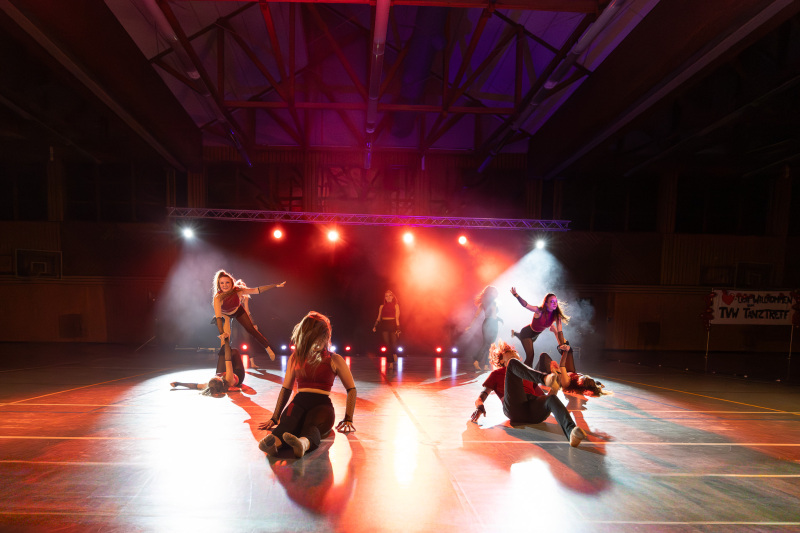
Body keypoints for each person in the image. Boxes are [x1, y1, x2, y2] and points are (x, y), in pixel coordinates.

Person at [258, 311, 357, 458]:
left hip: (322, 406)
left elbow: (351, 389)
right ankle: (274, 443)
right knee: (287, 423)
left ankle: (302, 444)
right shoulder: (296, 357)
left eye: (319, 339)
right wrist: (275, 417)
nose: (316, 344)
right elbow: (286, 389)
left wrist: (348, 418)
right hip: (299, 403)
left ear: (326, 337)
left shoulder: (334, 359)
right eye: (312, 339)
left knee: (312, 426)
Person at [470, 340, 587, 447]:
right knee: (512, 364)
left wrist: (554, 389)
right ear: (501, 361)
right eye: (508, 352)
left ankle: (571, 432)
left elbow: (545, 400)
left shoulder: (528, 375)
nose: (513, 353)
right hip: (514, 407)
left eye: (514, 352)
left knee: (551, 399)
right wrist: (479, 407)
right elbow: (482, 396)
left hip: (532, 411)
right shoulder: (496, 374)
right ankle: (544, 378)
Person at [212, 269, 285, 366]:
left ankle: (268, 348)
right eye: (222, 283)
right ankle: (225, 363)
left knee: (251, 330)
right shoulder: (218, 297)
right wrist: (221, 333)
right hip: (225, 315)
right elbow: (218, 317)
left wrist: (274, 285)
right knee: (225, 337)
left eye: (227, 282)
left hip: (238, 311)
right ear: (219, 284)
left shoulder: (238, 290)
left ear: (232, 283)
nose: (224, 285)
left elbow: (257, 290)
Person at [509, 288, 570, 367]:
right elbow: (526, 305)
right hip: (527, 333)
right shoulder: (539, 311)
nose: (555, 303)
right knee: (530, 356)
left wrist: (562, 345)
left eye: (556, 301)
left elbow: (560, 332)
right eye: (552, 301)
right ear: (546, 303)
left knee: (523, 339)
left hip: (535, 336)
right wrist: (516, 295)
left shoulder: (556, 315)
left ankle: (515, 333)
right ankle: (524, 373)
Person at [170, 348, 245, 395]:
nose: (215, 376)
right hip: (238, 374)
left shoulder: (211, 385)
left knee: (223, 352)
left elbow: (195, 386)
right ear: (220, 380)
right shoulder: (229, 379)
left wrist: (178, 383)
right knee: (234, 351)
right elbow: (228, 359)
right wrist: (226, 339)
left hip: (225, 375)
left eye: (213, 377)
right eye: (216, 377)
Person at [535, 347, 606, 396]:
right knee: (569, 352)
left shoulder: (567, 382)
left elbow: (562, 365)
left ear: (580, 383)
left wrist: (565, 352)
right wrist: (598, 384)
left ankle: (533, 378)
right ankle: (533, 375)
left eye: (581, 378)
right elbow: (592, 384)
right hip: (560, 372)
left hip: (551, 375)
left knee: (543, 356)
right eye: (582, 376)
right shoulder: (585, 381)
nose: (580, 376)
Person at [465, 285, 502, 372]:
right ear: (491, 293)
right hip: (492, 323)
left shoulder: (483, 303)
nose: (497, 293)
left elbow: (476, 315)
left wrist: (471, 326)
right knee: (488, 345)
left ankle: (485, 365)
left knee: (487, 344)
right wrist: (499, 319)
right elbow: (494, 316)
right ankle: (478, 361)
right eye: (495, 292)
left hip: (486, 323)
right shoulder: (493, 302)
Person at [372, 290, 400, 370]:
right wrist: (375, 326)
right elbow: (378, 318)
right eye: (386, 296)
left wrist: (398, 329)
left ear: (392, 297)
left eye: (389, 295)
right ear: (385, 298)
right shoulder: (382, 306)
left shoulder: (396, 305)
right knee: (387, 345)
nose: (388, 297)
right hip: (384, 325)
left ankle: (394, 353)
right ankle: (390, 363)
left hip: (392, 324)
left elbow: (397, 318)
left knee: (394, 343)